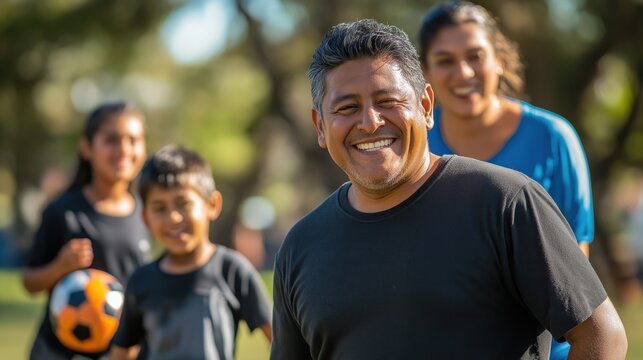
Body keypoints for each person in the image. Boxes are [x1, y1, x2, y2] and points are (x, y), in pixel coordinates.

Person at [270, 19, 627, 359]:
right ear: (320, 125)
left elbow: (601, 334)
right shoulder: (301, 247)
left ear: (425, 106)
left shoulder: (506, 204)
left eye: (387, 102)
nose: (370, 122)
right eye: (347, 107)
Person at [417, 3, 595, 357]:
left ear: (499, 58)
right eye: (445, 60)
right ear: (425, 73)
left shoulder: (552, 138)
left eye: (475, 55)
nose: (463, 72)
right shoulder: (415, 145)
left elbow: (575, 266)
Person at [110, 145, 272, 360]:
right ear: (145, 219)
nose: (173, 218)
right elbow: (122, 352)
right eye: (159, 208)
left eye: (183, 204)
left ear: (212, 205)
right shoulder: (141, 281)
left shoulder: (233, 270)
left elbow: (281, 339)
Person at [22, 102, 151, 360]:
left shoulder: (147, 211)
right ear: (86, 147)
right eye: (111, 140)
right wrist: (59, 266)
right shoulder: (63, 211)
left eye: (133, 140)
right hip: (60, 352)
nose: (124, 149)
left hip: (120, 352)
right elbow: (30, 282)